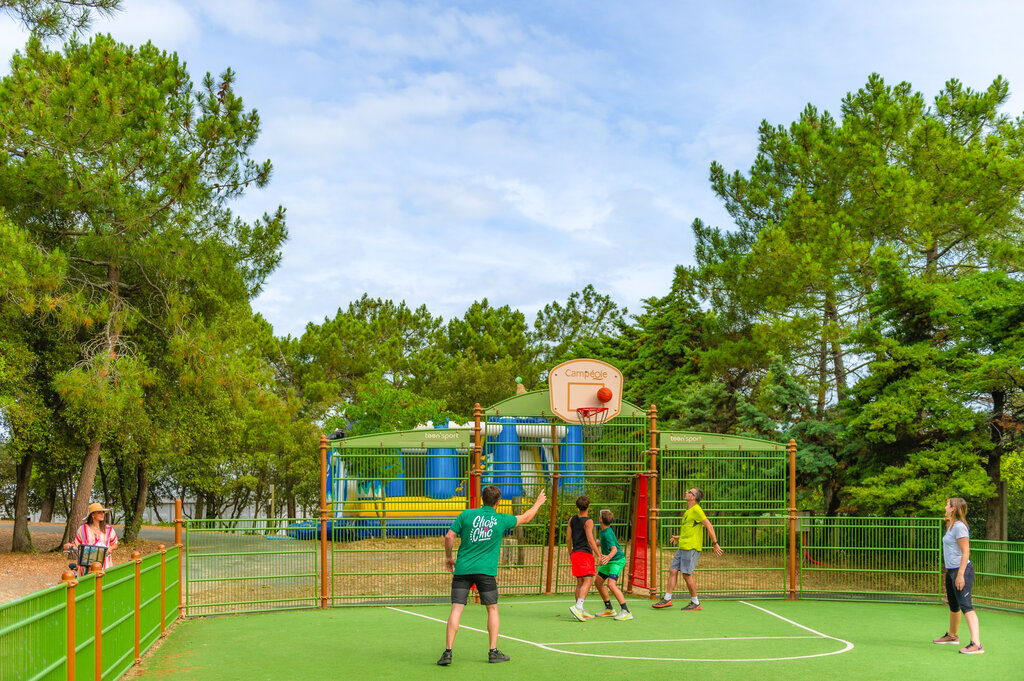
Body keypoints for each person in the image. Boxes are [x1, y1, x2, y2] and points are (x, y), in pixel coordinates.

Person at [437, 485, 547, 666]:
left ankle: (448, 652)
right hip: (486, 572)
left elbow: (449, 536)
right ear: (498, 502)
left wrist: (449, 557)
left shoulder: (466, 515)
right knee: (492, 609)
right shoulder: (500, 519)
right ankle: (493, 652)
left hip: (463, 569)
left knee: (456, 609)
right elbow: (526, 517)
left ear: (482, 499)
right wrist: (537, 503)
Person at [652, 486, 722, 610]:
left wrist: (715, 543)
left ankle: (695, 602)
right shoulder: (689, 511)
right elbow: (691, 529)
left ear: (693, 497)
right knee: (673, 570)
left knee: (686, 575)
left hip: (691, 547)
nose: (686, 492)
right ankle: (667, 599)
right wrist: (678, 537)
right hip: (683, 546)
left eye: (689, 492)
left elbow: (709, 526)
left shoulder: (697, 510)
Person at [933, 497, 983, 654]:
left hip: (961, 571)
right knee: (953, 605)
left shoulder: (960, 527)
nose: (945, 506)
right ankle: (952, 636)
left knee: (966, 606)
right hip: (951, 571)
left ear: (953, 508)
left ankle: (976, 644)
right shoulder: (952, 525)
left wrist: (960, 574)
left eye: (947, 505)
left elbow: (965, 551)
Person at [567, 494, 604, 621]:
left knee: (580, 582)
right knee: (588, 580)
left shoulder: (572, 520)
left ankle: (579, 610)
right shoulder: (588, 521)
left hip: (575, 553)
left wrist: (569, 552)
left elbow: (568, 539)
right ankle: (578, 607)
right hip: (585, 554)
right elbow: (590, 539)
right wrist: (599, 554)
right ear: (588, 506)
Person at [594, 509, 632, 621]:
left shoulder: (608, 533)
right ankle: (609, 609)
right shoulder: (604, 531)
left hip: (617, 560)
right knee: (598, 582)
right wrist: (594, 543)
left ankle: (626, 611)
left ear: (600, 520)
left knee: (611, 584)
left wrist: (607, 557)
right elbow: (603, 542)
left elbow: (614, 549)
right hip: (609, 561)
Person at [64, 502, 119, 576]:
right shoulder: (83, 529)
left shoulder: (108, 529)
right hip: (86, 564)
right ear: (92, 515)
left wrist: (111, 548)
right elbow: (76, 544)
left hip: (104, 564)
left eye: (103, 512)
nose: (102, 514)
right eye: (99, 512)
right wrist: (69, 545)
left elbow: (115, 543)